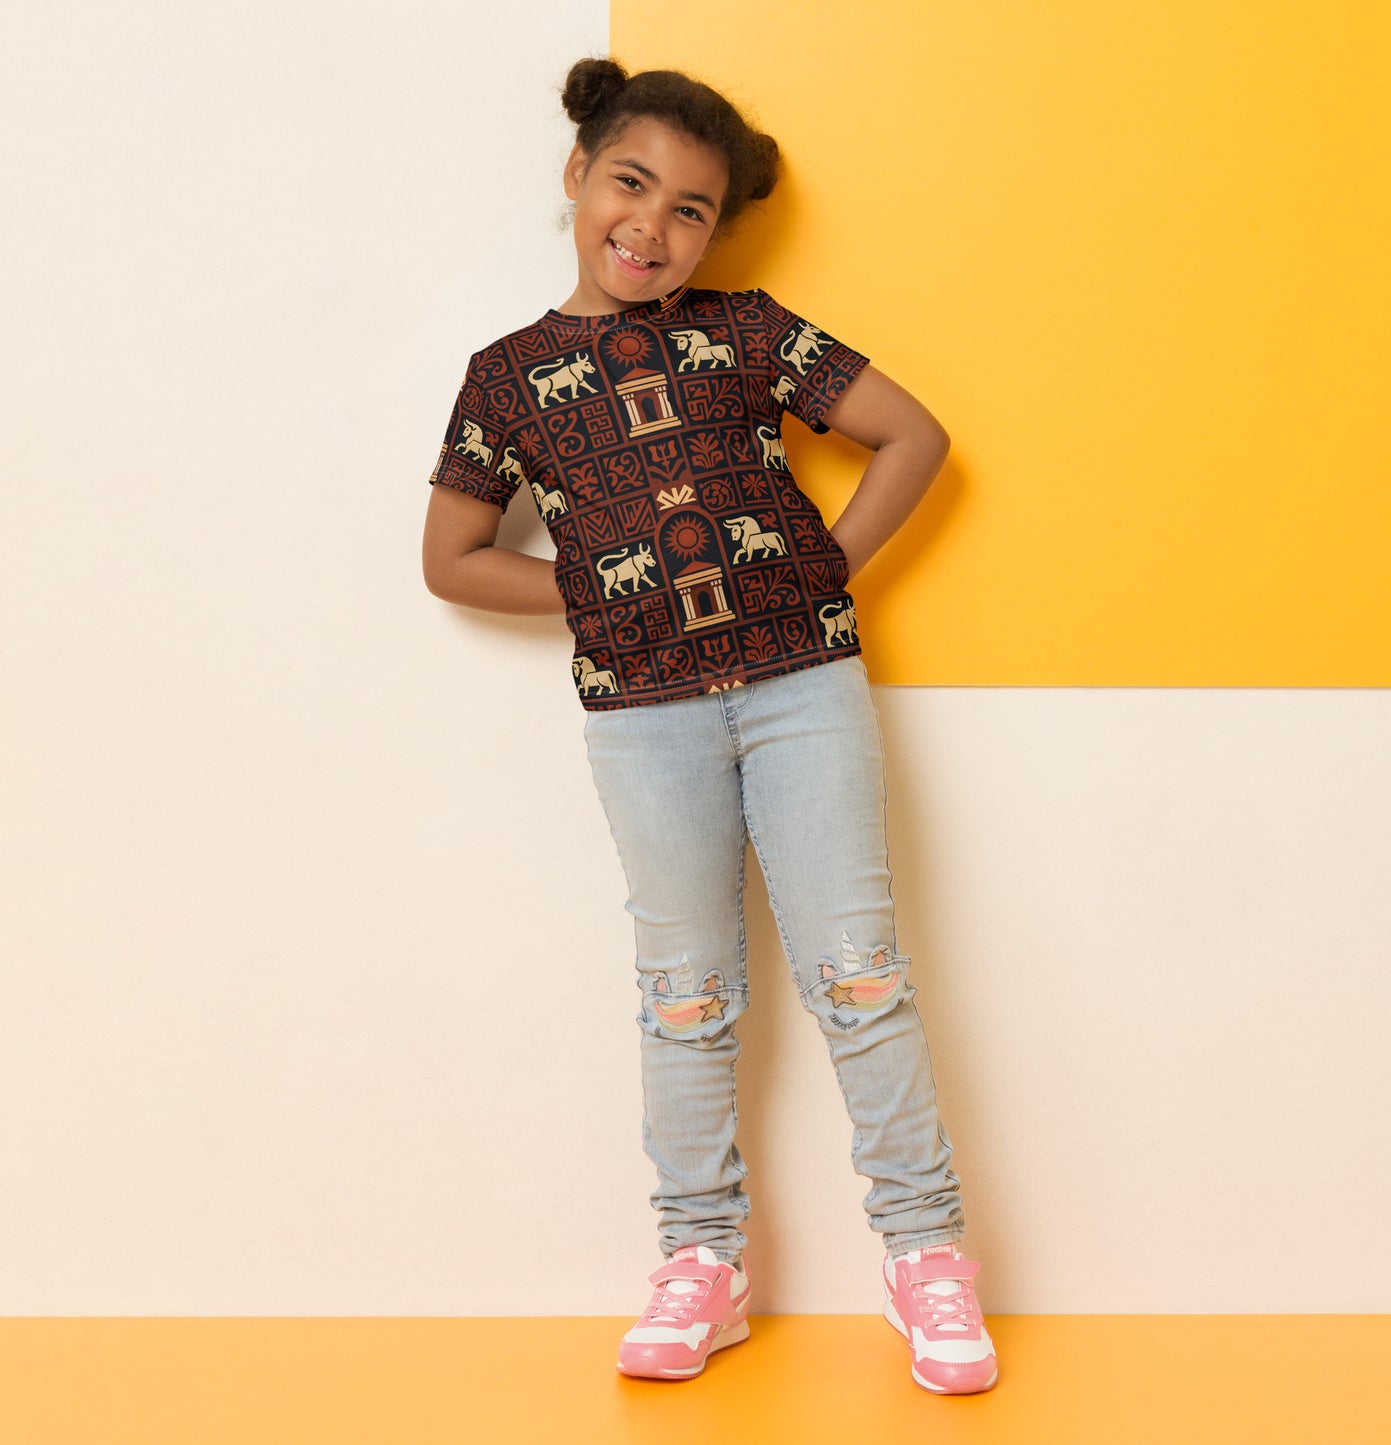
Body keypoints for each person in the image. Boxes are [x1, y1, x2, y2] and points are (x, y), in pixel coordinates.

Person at [421, 57, 998, 1395]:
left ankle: (925, 1252)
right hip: (642, 718)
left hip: (803, 691)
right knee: (683, 997)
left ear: (716, 230)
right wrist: (595, 602)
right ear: (577, 178)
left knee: (860, 973)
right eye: (630, 184)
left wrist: (820, 569)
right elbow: (452, 558)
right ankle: (701, 1260)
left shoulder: (748, 332)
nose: (652, 223)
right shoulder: (506, 382)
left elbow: (912, 438)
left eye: (690, 208)